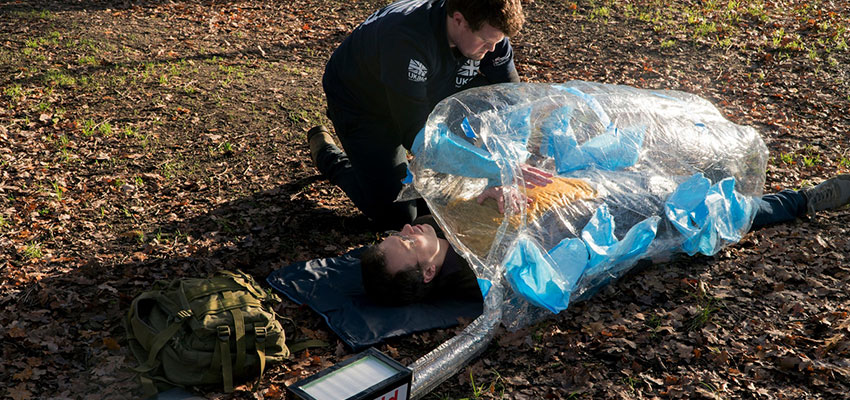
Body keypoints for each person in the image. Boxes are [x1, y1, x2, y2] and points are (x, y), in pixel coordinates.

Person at [360, 175, 850, 305]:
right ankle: (801, 201)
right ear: (426, 271)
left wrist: (498, 185)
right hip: (612, 224)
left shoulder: (439, 222)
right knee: (702, 215)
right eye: (406, 243)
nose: (408, 229)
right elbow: (558, 263)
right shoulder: (481, 277)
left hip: (580, 188)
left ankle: (733, 178)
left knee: (676, 175)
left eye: (398, 233)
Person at [307, 0, 527, 230]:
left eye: (498, 42)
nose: (492, 49)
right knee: (397, 214)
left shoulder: (488, 30)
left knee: (453, 187)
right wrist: (496, 169)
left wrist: (515, 159)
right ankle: (329, 157)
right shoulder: (405, 40)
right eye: (486, 41)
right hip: (363, 102)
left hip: (424, 86)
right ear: (459, 20)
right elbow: (417, 137)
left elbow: (512, 101)